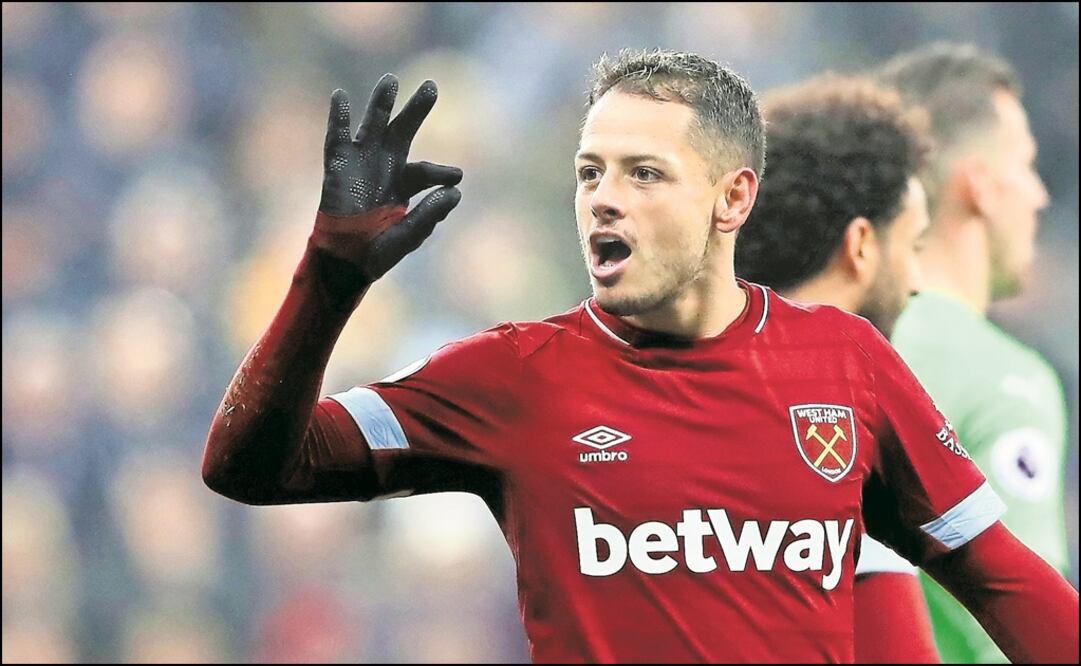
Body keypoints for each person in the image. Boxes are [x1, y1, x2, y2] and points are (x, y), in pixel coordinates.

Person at [201, 50, 1078, 663]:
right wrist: (327, 280)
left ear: (732, 197)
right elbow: (252, 467)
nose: (603, 201)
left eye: (643, 174)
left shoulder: (841, 360)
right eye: (589, 173)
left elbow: (997, 574)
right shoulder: (513, 375)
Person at [875, 42, 1073, 664]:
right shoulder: (1004, 377)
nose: (1039, 195)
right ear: (980, 187)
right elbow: (1012, 632)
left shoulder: (832, 342)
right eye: (1026, 165)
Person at [734, 73, 941, 663]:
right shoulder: (845, 438)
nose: (918, 283)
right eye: (914, 247)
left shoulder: (657, 386)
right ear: (861, 246)